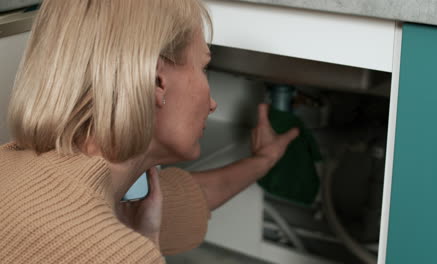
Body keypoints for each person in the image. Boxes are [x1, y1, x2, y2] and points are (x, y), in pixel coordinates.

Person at [0, 0, 299, 263]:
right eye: (202, 67)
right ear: (157, 81)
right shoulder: (116, 253)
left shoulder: (18, 169)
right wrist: (146, 248)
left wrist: (264, 159)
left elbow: (187, 199)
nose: (212, 103)